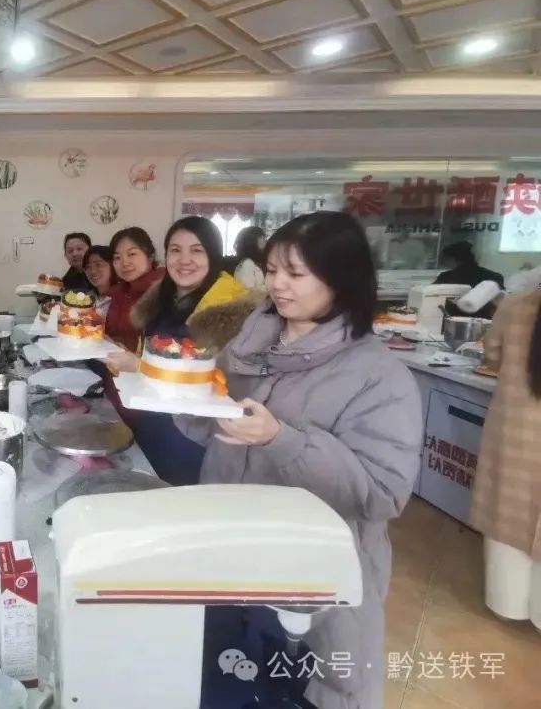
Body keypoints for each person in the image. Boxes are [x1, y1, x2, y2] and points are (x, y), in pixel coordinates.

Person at [172, 212, 423, 709]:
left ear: (341, 279)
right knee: (224, 678)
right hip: (230, 554)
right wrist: (185, 394)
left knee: (298, 688)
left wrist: (280, 440)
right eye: (271, 270)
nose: (277, 285)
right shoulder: (250, 343)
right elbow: (208, 428)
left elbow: (382, 493)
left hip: (312, 580)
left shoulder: (379, 376)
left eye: (296, 273)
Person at [470, 290, 541, 630]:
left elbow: (493, 353)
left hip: (517, 431)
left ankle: (507, 605)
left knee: (508, 518)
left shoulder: (516, 304)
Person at [106, 217, 257, 373]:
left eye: (196, 250)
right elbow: (152, 355)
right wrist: (131, 358)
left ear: (213, 256)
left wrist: (140, 367)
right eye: (175, 250)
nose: (184, 260)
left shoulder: (233, 313)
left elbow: (216, 379)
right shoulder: (159, 299)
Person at [103, 227, 166, 352]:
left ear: (150, 257)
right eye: (117, 257)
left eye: (132, 254)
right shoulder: (114, 293)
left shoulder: (165, 290)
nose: (124, 263)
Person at [436, 241, 505, 288]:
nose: (444, 262)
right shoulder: (493, 277)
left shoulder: (445, 277)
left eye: (447, 259)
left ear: (458, 260)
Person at [232, 225, 267, 292]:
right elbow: (249, 292)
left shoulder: (252, 262)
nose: (265, 240)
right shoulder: (247, 264)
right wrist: (270, 287)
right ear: (251, 241)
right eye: (261, 236)